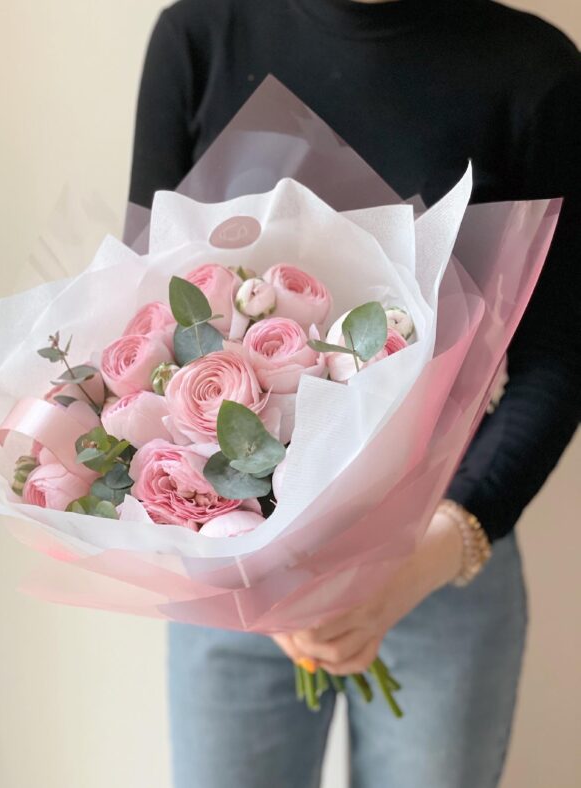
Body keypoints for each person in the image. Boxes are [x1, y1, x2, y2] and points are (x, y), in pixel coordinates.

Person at [127, 1, 581, 786]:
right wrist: (248, 556)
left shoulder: (532, 70)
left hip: (444, 560)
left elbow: (560, 356)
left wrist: (431, 550)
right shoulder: (200, 37)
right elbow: (142, 325)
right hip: (232, 583)